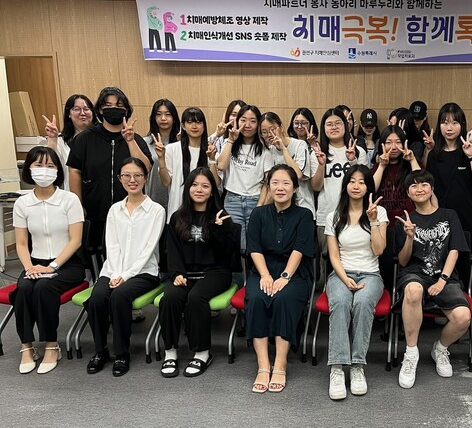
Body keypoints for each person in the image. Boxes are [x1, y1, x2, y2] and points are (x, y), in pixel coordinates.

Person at [85, 158, 165, 377]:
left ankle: (121, 353)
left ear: (145, 178)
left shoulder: (156, 210)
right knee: (97, 298)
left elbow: (149, 248)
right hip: (113, 270)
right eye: (126, 175)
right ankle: (101, 351)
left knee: (119, 296)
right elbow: (111, 245)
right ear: (119, 179)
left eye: (138, 175)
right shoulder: (115, 209)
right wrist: (115, 273)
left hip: (144, 272)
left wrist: (126, 275)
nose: (132, 180)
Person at [159, 168, 240, 378]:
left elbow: (228, 254)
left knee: (196, 297)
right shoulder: (177, 217)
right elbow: (172, 250)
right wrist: (176, 273)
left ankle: (202, 352)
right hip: (185, 272)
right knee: (169, 298)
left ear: (212, 191)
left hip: (216, 272)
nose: (199, 190)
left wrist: (218, 230)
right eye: (195, 185)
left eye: (205, 186)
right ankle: (170, 351)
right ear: (188, 188)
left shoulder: (222, 216)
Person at [394, 170, 471, 389]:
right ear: (408, 193)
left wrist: (442, 280)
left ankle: (440, 348)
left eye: (424, 184)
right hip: (414, 274)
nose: (419, 189)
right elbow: (403, 261)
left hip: (444, 277)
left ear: (432, 189)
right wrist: (409, 237)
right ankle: (411, 354)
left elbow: (455, 250)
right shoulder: (405, 221)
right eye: (414, 186)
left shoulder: (448, 215)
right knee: (413, 291)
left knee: (463, 317)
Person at [12, 146, 85, 374]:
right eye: (38, 165)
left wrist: (52, 266)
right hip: (34, 262)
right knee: (24, 287)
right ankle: (27, 346)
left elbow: (76, 241)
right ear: (29, 169)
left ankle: (52, 345)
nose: (44, 170)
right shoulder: (22, 203)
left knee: (44, 287)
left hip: (67, 264)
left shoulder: (69, 200)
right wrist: (29, 268)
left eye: (50, 166)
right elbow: (21, 243)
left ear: (57, 171)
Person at [246, 164, 315, 393]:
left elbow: (300, 249)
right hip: (263, 269)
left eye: (286, 183)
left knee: (284, 298)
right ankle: (263, 365)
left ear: (295, 188)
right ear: (268, 187)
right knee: (256, 298)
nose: (280, 187)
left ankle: (281, 363)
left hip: (294, 272)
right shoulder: (258, 214)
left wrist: (285, 276)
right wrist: (265, 275)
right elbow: (254, 248)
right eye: (275, 183)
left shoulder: (304, 215)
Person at [325, 165, 388, 400]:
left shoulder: (379, 212)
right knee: (341, 302)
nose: (356, 186)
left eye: (362, 182)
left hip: (371, 274)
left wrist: (373, 221)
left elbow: (379, 250)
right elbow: (333, 256)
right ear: (346, 185)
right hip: (341, 273)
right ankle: (337, 367)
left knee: (362, 303)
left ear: (368, 187)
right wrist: (346, 279)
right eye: (352, 181)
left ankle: (357, 365)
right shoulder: (334, 216)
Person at [66, 86, 153, 252]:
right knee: (96, 253)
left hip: (130, 212)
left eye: (119, 105)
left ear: (126, 110)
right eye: (108, 105)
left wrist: (130, 141)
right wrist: (78, 204)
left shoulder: (136, 139)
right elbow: (75, 171)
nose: (113, 109)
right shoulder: (85, 138)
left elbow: (146, 168)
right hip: (94, 211)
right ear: (100, 109)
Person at [424, 102, 472, 257]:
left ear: (462, 125)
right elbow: (428, 186)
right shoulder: (434, 154)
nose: (449, 128)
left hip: (465, 215)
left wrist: (471, 156)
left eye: (454, 123)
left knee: (464, 259)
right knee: (440, 258)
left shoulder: (470, 150)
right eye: (445, 123)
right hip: (440, 216)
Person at [311, 107, 368, 258]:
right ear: (323, 128)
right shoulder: (317, 153)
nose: (334, 127)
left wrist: (352, 161)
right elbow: (316, 186)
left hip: (354, 215)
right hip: (326, 214)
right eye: (329, 124)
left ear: (346, 125)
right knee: (326, 260)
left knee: (352, 258)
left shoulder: (358, 152)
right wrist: (321, 164)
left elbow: (365, 184)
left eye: (338, 123)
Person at [216, 104, 273, 252]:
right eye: (243, 120)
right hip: (232, 201)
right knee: (237, 247)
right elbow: (221, 166)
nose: (247, 125)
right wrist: (231, 140)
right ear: (237, 121)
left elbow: (267, 183)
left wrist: (260, 207)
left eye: (253, 121)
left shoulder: (265, 150)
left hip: (255, 200)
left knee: (255, 247)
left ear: (258, 124)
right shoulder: (229, 144)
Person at [156, 107, 218, 221]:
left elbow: (216, 184)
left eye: (198, 122)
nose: (194, 126)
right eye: (189, 122)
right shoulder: (172, 149)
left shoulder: (211, 150)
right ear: (183, 126)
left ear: (204, 126)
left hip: (204, 214)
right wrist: (161, 159)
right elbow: (166, 182)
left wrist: (212, 159)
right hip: (177, 212)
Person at [260, 111, 317, 217]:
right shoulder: (269, 151)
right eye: (264, 132)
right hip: (278, 209)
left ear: (281, 128)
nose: (269, 134)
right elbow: (268, 183)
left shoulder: (300, 145)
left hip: (302, 207)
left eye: (272, 129)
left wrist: (283, 149)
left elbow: (297, 175)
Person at [42, 94, 98, 190]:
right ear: (69, 114)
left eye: (86, 109)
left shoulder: (102, 138)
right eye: (76, 109)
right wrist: (52, 138)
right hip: (71, 194)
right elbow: (50, 164)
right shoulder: (60, 140)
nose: (82, 113)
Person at [372, 125, 421, 227]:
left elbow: (421, 184)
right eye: (388, 142)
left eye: (398, 142)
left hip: (410, 223)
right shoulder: (376, 168)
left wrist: (412, 160)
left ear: (404, 144)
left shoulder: (412, 165)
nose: (393, 147)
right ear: (382, 145)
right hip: (383, 223)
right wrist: (382, 166)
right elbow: (371, 189)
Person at [144, 99, 180, 210]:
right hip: (151, 199)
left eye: (168, 114)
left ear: (174, 118)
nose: (163, 118)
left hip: (176, 200)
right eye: (158, 114)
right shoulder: (145, 142)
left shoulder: (180, 143)